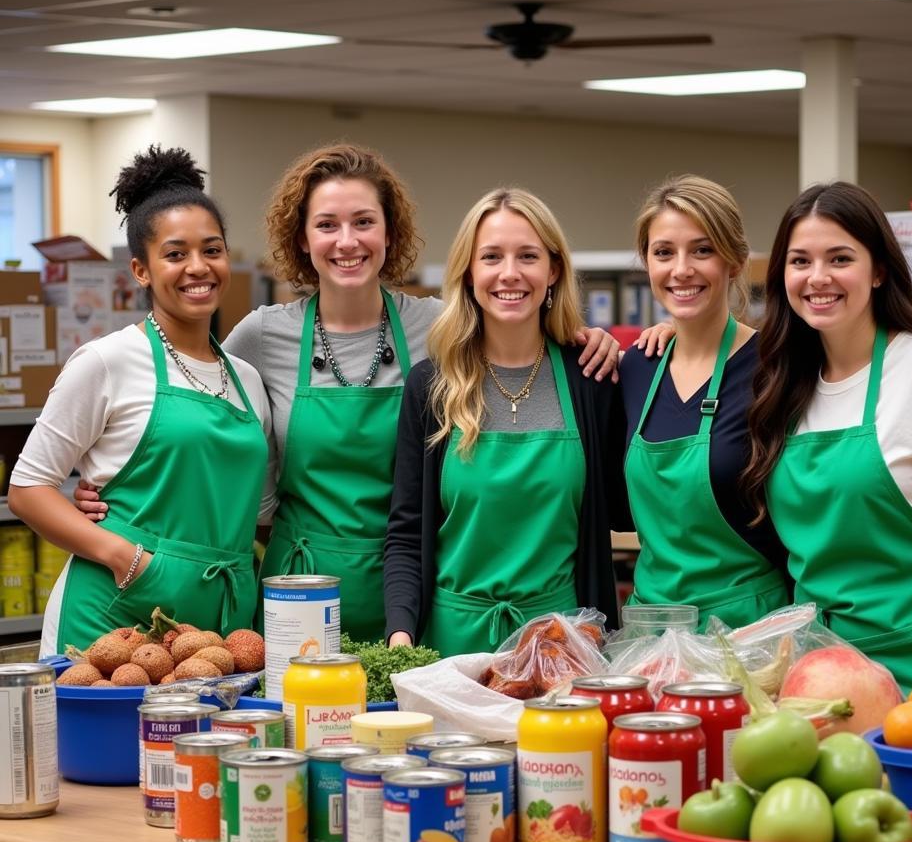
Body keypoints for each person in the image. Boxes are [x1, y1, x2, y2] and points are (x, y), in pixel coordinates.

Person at [78, 143, 621, 644]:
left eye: (364, 222)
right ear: (301, 239)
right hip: (299, 592)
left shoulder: (438, 330)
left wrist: (589, 339)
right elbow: (207, 441)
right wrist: (114, 490)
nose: (347, 241)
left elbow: (518, 334)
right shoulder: (261, 336)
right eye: (327, 224)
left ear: (390, 232)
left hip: (409, 593)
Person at [8, 146, 274, 842]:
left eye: (210, 249)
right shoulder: (109, 362)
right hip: (116, 631)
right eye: (175, 253)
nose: (198, 268)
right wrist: (125, 552)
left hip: (213, 644)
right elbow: (28, 486)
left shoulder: (246, 378)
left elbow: (257, 507)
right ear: (140, 270)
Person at [742, 180, 912, 694]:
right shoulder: (782, 385)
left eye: (840, 258)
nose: (818, 277)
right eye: (800, 261)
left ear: (879, 271)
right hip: (836, 676)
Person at [385, 187, 628, 655]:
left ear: (553, 269)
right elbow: (406, 531)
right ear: (469, 272)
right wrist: (401, 634)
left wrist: (664, 340)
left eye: (528, 256)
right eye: (491, 256)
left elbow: (626, 509)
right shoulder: (432, 385)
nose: (509, 273)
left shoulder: (592, 379)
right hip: (453, 648)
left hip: (564, 644)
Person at [618, 175, 789, 630]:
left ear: (733, 261)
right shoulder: (635, 368)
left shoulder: (774, 370)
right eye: (663, 252)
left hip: (749, 630)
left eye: (702, 250)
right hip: (652, 629)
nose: (681, 269)